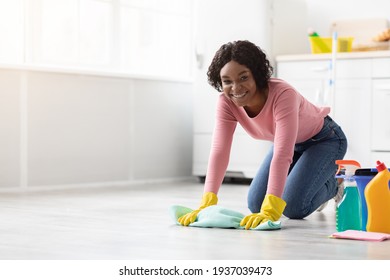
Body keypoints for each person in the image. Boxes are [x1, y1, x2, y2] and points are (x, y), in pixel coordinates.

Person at [178, 40, 347, 229]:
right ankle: (312, 182)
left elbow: (282, 154)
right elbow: (219, 151)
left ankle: (336, 184)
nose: (236, 88)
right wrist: (207, 202)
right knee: (256, 204)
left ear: (257, 75)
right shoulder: (226, 103)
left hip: (324, 140)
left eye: (243, 78)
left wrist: (271, 210)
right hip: (289, 144)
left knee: (294, 207)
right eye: (227, 81)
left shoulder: (283, 94)